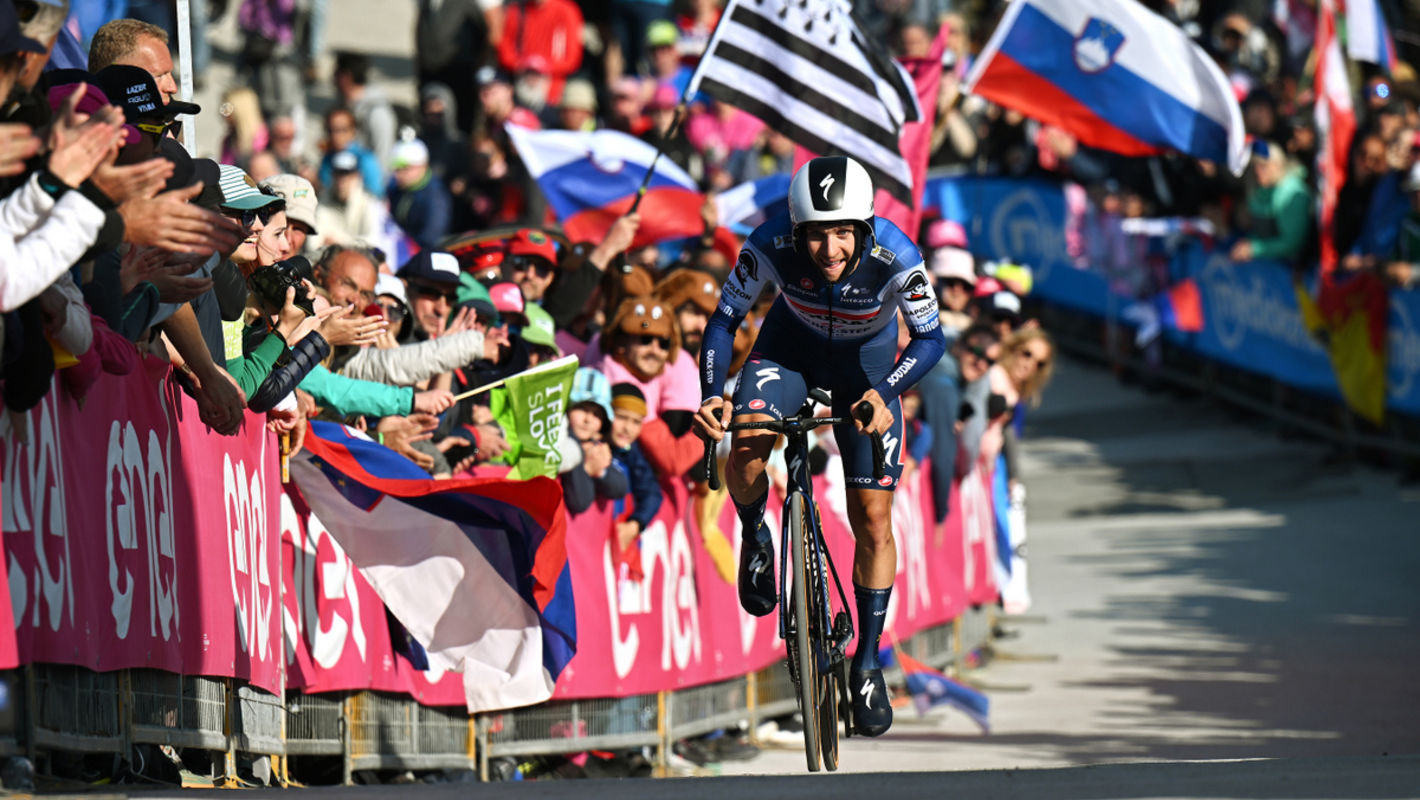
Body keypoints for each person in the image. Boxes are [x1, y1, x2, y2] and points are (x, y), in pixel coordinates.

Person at [693, 156, 946, 737]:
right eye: (814, 234)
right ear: (795, 230)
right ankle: (756, 534)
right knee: (749, 436)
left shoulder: (898, 256)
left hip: (869, 368)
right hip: (789, 350)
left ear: (863, 228)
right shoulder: (768, 244)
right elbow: (723, 322)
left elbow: (931, 338)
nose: (828, 249)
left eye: (840, 233)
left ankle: (867, 661)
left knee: (874, 519)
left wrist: (886, 392)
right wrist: (712, 394)